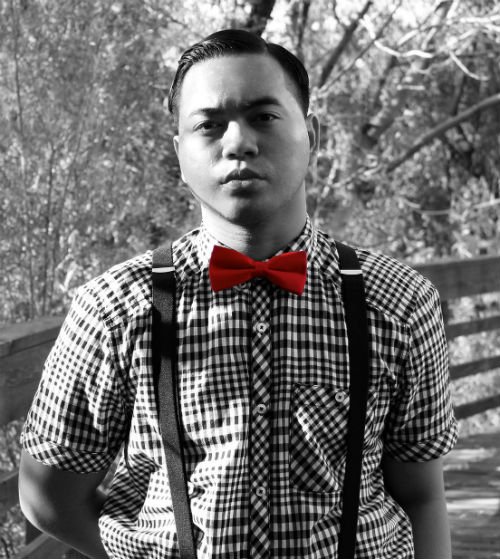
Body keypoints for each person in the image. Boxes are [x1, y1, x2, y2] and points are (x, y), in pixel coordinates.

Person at [19, 29, 457, 559]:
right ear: (180, 154)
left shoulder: (399, 301)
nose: (238, 143)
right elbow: (48, 496)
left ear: (311, 134)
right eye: (209, 125)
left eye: (264, 116)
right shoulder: (115, 307)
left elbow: (422, 495)